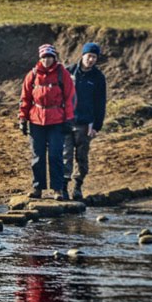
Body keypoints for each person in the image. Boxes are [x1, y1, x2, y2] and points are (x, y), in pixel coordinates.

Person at [18, 44, 76, 200]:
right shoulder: (32, 75)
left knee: (55, 156)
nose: (46, 60)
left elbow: (70, 98)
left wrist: (69, 119)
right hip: (36, 120)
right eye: (43, 57)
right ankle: (38, 188)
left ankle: (58, 189)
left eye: (49, 57)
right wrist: (22, 119)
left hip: (57, 120)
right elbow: (25, 98)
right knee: (37, 156)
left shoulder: (62, 74)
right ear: (40, 58)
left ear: (54, 58)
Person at [63, 42, 107, 200]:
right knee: (65, 155)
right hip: (66, 121)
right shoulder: (68, 72)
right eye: (89, 56)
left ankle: (77, 187)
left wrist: (97, 126)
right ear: (82, 55)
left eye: (94, 57)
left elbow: (100, 103)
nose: (91, 60)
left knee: (81, 156)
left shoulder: (98, 78)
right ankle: (63, 188)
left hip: (85, 124)